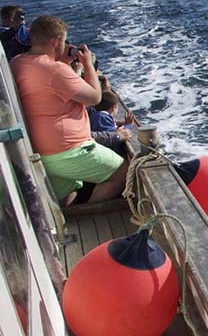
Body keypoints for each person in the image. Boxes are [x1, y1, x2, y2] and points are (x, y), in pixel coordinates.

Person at [10, 15, 128, 205]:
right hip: (69, 149)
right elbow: (94, 98)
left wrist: (63, 63)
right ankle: (92, 216)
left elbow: (51, 88)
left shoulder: (18, 62)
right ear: (56, 41)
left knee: (69, 190)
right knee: (125, 173)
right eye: (63, 41)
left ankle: (69, 218)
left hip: (41, 149)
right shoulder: (55, 70)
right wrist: (87, 63)